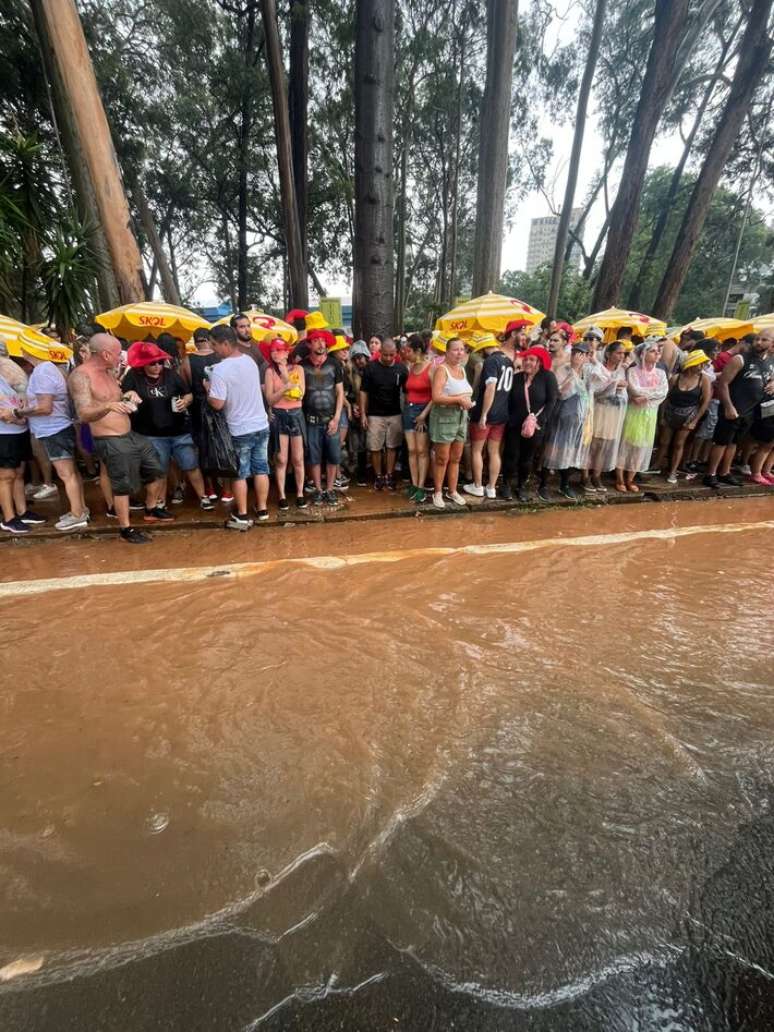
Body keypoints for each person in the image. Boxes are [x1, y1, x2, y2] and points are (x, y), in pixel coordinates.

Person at [68, 333, 162, 543]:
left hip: (129, 434)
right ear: (106, 354)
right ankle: (125, 528)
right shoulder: (81, 376)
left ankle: (151, 508)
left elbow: (115, 398)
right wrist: (108, 406)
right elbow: (83, 413)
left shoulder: (108, 371)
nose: (122, 357)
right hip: (109, 438)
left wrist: (128, 396)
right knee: (122, 484)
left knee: (155, 468)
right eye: (119, 353)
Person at [121, 340, 214, 518]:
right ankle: (159, 502)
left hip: (179, 430)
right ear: (143, 364)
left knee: (191, 465)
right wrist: (128, 395)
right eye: (152, 363)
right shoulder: (134, 376)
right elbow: (122, 396)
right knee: (159, 470)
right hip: (151, 432)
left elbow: (188, 393)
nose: (157, 366)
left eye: (160, 362)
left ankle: (203, 497)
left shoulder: (171, 375)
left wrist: (186, 401)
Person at [15, 337, 88, 531]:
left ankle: (77, 514)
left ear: (27, 351)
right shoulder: (51, 369)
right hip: (58, 427)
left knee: (66, 474)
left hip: (53, 429)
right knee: (71, 472)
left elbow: (45, 407)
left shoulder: (42, 371)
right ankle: (80, 508)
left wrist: (20, 412)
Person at [207, 324, 270, 527]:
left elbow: (217, 403)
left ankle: (242, 514)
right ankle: (262, 509)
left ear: (226, 343)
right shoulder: (249, 361)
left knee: (240, 473)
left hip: (239, 428)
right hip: (260, 424)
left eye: (214, 344)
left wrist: (208, 389)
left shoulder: (220, 370)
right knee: (261, 469)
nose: (213, 349)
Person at [703, 328, 774, 488]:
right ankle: (711, 474)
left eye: (764, 340)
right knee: (721, 442)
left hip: (751, 410)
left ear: (772, 344)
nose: (758, 342)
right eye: (757, 339)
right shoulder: (740, 359)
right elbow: (723, 383)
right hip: (733, 407)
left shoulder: (770, 361)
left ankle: (725, 472)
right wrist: (728, 406)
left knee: (734, 442)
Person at [542, 340, 609, 499]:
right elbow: (561, 393)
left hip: (581, 420)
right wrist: (573, 370)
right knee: (553, 451)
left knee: (572, 453)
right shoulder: (563, 369)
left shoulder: (589, 372)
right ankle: (543, 485)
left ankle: (564, 485)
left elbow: (606, 379)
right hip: (563, 417)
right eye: (574, 352)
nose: (576, 356)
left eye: (581, 354)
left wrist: (594, 360)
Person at [0, 345, 47, 534]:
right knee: (6, 476)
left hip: (19, 429)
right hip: (3, 432)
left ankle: (22, 510)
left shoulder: (9, 369)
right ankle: (9, 518)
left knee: (19, 472)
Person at [502, 345, 558, 502]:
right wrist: (509, 418)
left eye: (531, 360)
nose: (527, 362)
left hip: (536, 426)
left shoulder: (548, 377)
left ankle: (521, 486)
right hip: (515, 424)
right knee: (511, 455)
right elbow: (508, 400)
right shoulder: (516, 378)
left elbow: (552, 401)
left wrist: (541, 420)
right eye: (526, 359)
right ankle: (506, 484)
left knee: (527, 458)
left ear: (539, 362)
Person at [615, 339, 669, 493]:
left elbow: (663, 391)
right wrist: (649, 394)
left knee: (642, 445)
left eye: (658, 351)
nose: (657, 354)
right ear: (643, 354)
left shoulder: (660, 372)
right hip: (633, 412)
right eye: (653, 351)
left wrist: (646, 397)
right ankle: (619, 478)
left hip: (650, 413)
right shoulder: (632, 371)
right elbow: (635, 389)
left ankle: (630, 478)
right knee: (626, 444)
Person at [463, 333, 512, 498]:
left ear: (484, 348)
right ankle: (491, 487)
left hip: (487, 413)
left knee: (477, 450)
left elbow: (490, 387)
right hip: (502, 413)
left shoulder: (491, 361)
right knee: (494, 451)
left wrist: (483, 414)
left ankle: (477, 485)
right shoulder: (508, 362)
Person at [653, 350, 712, 484]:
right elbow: (665, 397)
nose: (702, 367)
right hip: (670, 412)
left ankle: (673, 471)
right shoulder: (676, 378)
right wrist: (662, 416)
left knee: (679, 444)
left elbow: (705, 401)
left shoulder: (704, 379)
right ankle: (656, 465)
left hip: (689, 415)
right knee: (664, 442)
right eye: (700, 364)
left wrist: (695, 420)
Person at [301, 328, 344, 505]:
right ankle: (318, 489)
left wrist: (336, 418)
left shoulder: (335, 364)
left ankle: (330, 489)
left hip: (331, 419)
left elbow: (340, 393)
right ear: (310, 344)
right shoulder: (302, 366)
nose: (320, 343)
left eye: (323, 340)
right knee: (314, 457)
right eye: (316, 340)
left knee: (333, 456)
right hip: (311, 420)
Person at [429, 337, 473, 509]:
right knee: (442, 458)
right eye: (455, 349)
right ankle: (438, 491)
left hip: (462, 418)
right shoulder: (442, 369)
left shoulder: (462, 369)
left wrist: (464, 401)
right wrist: (459, 400)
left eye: (462, 349)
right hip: (444, 418)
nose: (459, 353)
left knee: (456, 457)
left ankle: (452, 490)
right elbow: (436, 396)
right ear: (446, 352)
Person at [264, 336, 307, 510]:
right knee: (281, 458)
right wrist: (284, 388)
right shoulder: (269, 372)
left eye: (279, 350)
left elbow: (300, 394)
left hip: (296, 413)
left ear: (287, 352)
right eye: (273, 350)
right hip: (280, 414)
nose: (275, 354)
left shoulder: (298, 369)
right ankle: (281, 494)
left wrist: (285, 375)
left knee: (298, 457)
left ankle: (300, 492)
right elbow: (270, 400)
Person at [359, 337, 407, 491]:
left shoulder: (401, 369)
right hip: (374, 413)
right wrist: (363, 414)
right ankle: (378, 475)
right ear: (380, 352)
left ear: (396, 353)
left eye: (391, 355)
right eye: (385, 354)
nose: (388, 358)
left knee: (393, 445)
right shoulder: (370, 368)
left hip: (395, 413)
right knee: (375, 447)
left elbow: (406, 392)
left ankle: (390, 474)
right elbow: (363, 392)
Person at [584, 340, 629, 492]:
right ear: (609, 354)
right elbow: (594, 390)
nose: (621, 356)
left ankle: (596, 476)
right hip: (598, 410)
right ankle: (585, 476)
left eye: (623, 353)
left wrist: (619, 384)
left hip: (614, 412)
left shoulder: (623, 370)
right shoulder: (598, 369)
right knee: (592, 445)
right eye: (618, 353)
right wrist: (614, 383)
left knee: (604, 446)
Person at [187, 327, 220, 501]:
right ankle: (227, 488)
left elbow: (185, 384)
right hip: (220, 406)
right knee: (222, 444)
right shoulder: (220, 357)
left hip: (198, 407)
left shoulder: (188, 360)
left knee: (203, 448)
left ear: (195, 341)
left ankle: (209, 487)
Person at [402, 334, 433, 503]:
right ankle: (414, 484)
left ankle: (421, 486)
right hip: (409, 410)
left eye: (409, 350)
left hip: (423, 411)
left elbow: (435, 395)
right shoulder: (411, 367)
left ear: (418, 350)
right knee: (412, 450)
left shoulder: (430, 368)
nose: (406, 353)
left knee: (422, 451)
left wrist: (423, 415)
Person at [348, 340, 371, 486]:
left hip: (372, 410)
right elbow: (346, 394)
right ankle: (360, 471)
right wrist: (353, 405)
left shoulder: (372, 370)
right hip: (357, 413)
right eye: (355, 358)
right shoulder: (350, 373)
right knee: (359, 444)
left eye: (360, 357)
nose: (358, 361)